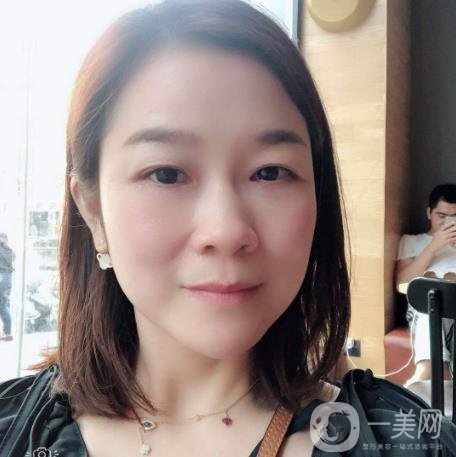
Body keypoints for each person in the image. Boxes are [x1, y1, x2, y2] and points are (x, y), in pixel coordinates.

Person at [1, 2, 456, 456]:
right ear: (93, 212)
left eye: (270, 172)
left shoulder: (408, 443)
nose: (226, 230)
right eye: (166, 174)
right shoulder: (13, 430)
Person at [395, 183, 456, 386]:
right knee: (431, 300)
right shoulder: (412, 241)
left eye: (454, 217)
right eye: (441, 215)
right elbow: (402, 284)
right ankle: (429, 368)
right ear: (429, 213)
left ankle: (438, 373)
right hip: (423, 308)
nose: (448, 222)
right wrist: (434, 246)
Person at [0, 232, 15, 342]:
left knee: (2, 307)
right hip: (7, 280)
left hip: (1, 279)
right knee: (4, 305)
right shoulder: (10, 251)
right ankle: (7, 332)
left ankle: (7, 333)